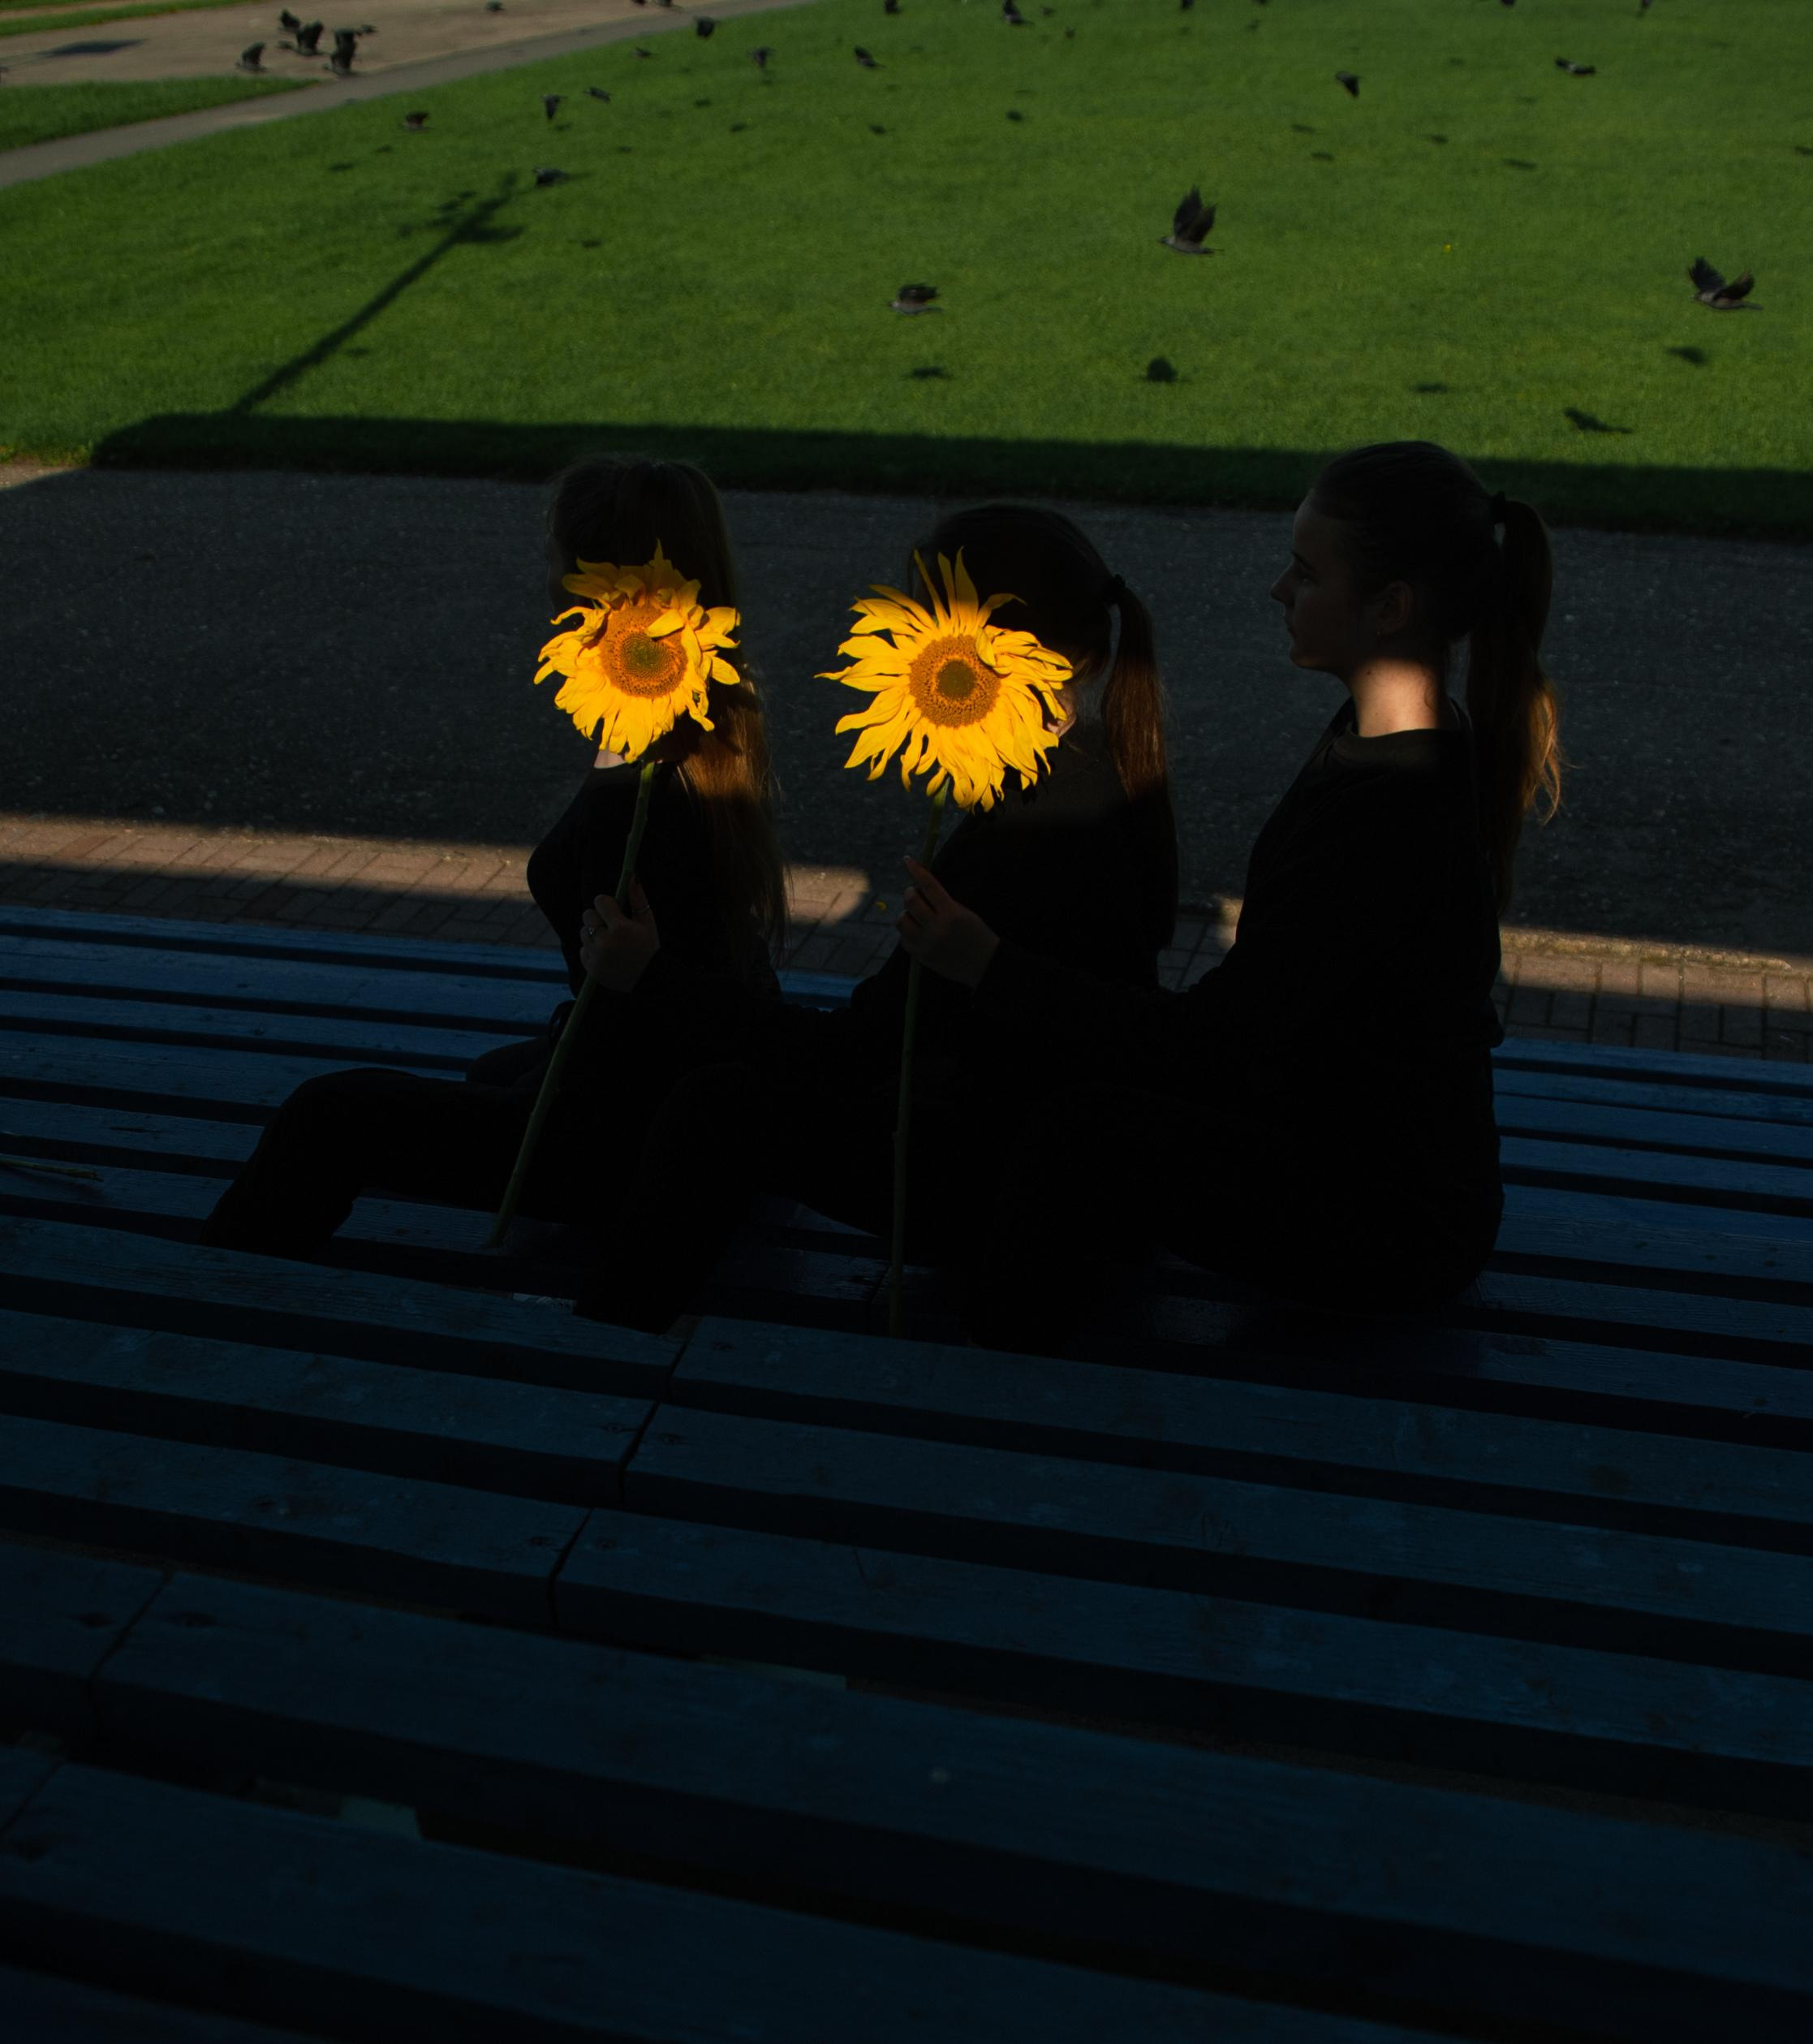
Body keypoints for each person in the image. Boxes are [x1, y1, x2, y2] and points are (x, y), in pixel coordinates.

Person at [883, 441, 1563, 1351]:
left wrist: (990, 966)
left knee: (1077, 1132)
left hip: (1389, 1225)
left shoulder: (1391, 815)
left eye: (1305, 572)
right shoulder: (1392, 739)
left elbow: (1211, 1046)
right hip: (1348, 1145)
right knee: (1071, 1090)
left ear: (1390, 607)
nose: (1280, 591)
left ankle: (991, 1376)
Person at [575, 502, 1180, 1325]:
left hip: (1011, 1201)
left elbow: (858, 1052)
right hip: (1059, 1171)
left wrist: (652, 978)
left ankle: (610, 1344)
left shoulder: (1030, 832)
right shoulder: (1107, 768)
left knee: (719, 1102)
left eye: (919, 625)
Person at [200, 453, 786, 1272]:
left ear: (590, 586)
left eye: (555, 561)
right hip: (643, 1084)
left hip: (620, 1137)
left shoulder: (644, 792)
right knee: (492, 1069)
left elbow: (675, 1002)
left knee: (327, 1112)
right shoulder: (703, 724)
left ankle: (205, 1290)